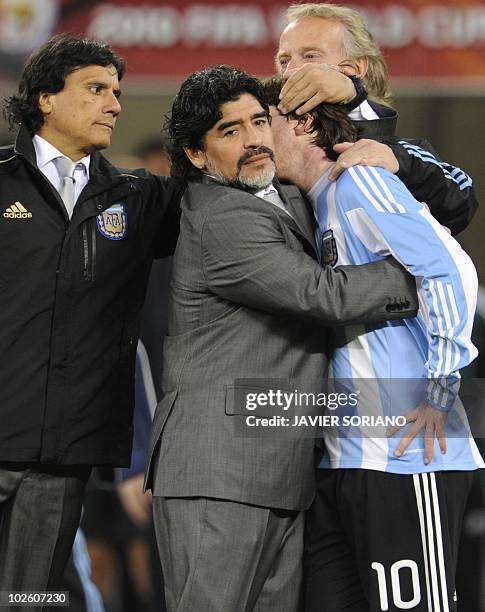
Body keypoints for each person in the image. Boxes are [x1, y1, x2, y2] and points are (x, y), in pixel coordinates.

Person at [144, 64, 419, 612]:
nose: (253, 141)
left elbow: (328, 166)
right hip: (218, 473)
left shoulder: (277, 197)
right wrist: (423, 273)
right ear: (197, 156)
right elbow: (323, 295)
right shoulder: (221, 216)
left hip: (278, 471)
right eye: (230, 131)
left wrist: (371, 124)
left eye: (258, 122)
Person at [263, 77, 484, 612]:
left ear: (301, 123)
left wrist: (440, 386)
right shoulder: (314, 206)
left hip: (410, 458)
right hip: (346, 460)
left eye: (261, 123)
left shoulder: (358, 180)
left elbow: (451, 268)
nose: (255, 139)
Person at [0, 33, 182, 592]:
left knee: (28, 599)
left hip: (62, 453)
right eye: (96, 88)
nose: (115, 103)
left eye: (118, 91)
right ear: (45, 100)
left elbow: (236, 203)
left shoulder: (139, 197)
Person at [276, 2, 477, 235]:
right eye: (284, 61)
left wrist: (353, 98)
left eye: (310, 56)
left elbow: (462, 200)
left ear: (354, 68)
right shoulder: (268, 141)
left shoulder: (402, 152)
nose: (289, 72)